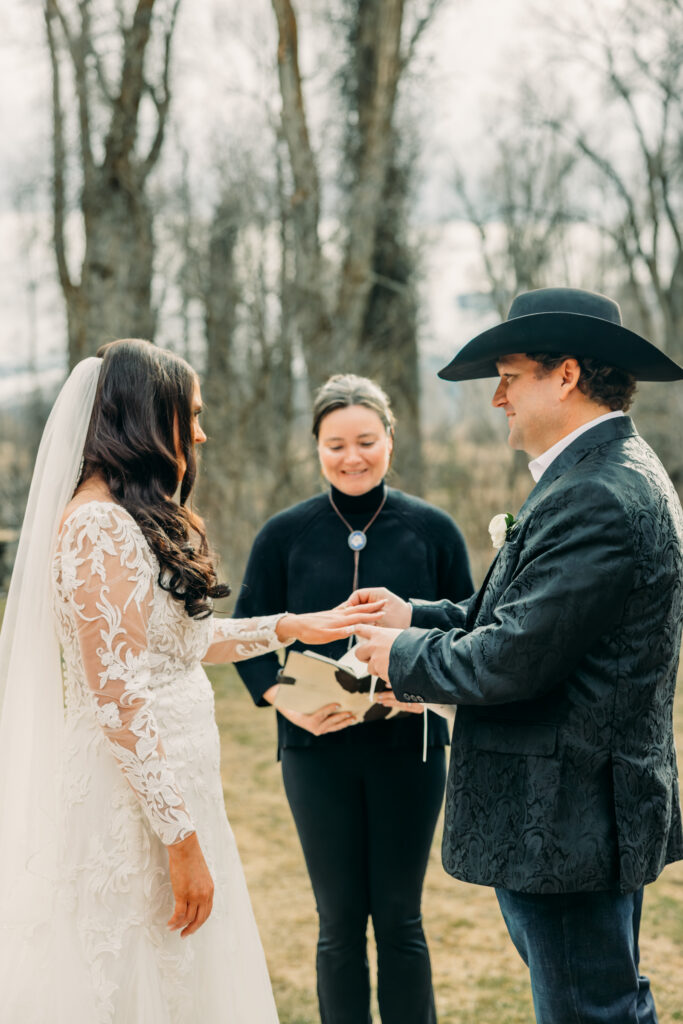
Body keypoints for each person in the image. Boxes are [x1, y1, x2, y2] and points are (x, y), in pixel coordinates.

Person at [0, 340, 384, 1024]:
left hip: (178, 791)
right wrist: (178, 841)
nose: (200, 431)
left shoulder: (129, 517)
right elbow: (117, 695)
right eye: (191, 413)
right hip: (133, 809)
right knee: (134, 976)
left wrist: (295, 625)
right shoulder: (97, 526)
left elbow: (182, 643)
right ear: (148, 417)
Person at [351, 287, 683, 1024]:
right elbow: (528, 619)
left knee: (586, 1013)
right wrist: (415, 615)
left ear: (564, 375)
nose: (496, 398)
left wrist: (398, 654)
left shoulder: (597, 492)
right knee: (609, 1005)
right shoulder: (602, 473)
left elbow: (510, 659)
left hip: (565, 817)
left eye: (509, 375)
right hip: (575, 813)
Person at [233, 373, 473, 1024]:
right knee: (337, 922)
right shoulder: (284, 534)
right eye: (334, 444)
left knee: (400, 918)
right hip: (316, 751)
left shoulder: (433, 530)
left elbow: (470, 630)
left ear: (390, 441)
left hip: (410, 747)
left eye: (365, 441)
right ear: (315, 446)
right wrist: (279, 697)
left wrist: (427, 687)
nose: (351, 457)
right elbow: (247, 631)